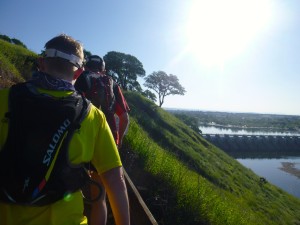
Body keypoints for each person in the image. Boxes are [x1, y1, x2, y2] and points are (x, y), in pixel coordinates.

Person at [0, 34, 130, 225]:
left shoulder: (5, 98)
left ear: (41, 63)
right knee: (99, 197)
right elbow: (116, 181)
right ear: (78, 73)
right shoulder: (93, 116)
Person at [74, 55, 130, 225]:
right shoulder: (111, 82)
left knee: (78, 189)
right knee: (100, 197)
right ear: (103, 69)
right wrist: (118, 140)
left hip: (80, 140)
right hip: (107, 139)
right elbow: (125, 117)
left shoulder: (80, 78)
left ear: (86, 66)